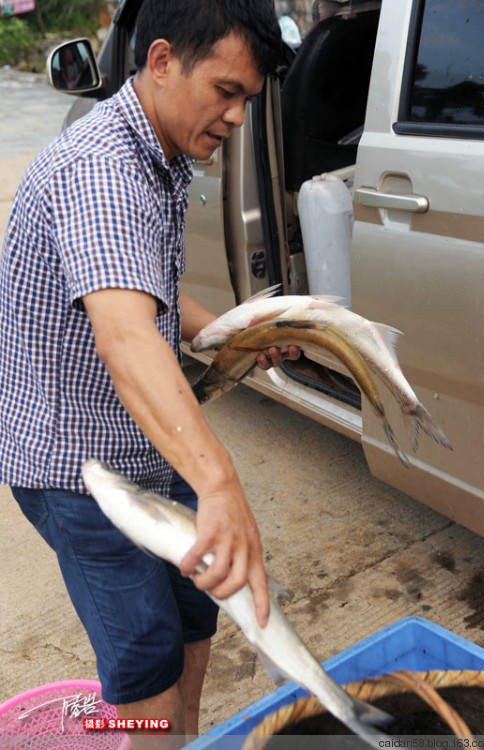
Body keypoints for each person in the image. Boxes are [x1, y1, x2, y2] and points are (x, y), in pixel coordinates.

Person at [0, 0, 299, 745]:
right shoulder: (102, 170)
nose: (235, 117)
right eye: (225, 92)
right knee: (145, 656)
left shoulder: (158, 153)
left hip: (144, 437)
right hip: (78, 464)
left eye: (246, 101)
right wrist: (220, 482)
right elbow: (128, 339)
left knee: (196, 611)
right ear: (162, 61)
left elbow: (151, 297)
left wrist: (234, 329)